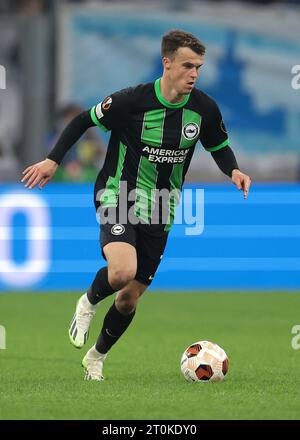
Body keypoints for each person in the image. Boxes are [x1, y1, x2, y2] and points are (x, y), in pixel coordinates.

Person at [21, 29, 251, 381]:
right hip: (119, 194)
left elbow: (218, 145)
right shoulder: (131, 101)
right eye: (188, 65)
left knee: (129, 298)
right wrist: (53, 160)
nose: (194, 74)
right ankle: (87, 302)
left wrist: (232, 169)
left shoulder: (204, 108)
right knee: (121, 272)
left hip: (162, 207)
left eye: (199, 67)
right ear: (167, 63)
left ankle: (95, 358)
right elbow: (84, 119)